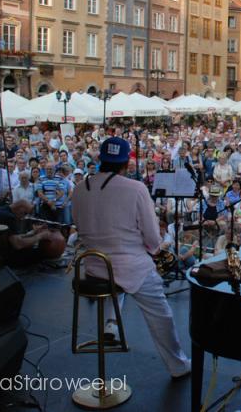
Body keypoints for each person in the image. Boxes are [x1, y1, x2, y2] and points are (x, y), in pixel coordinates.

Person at [71, 137, 191, 378]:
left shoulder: (79, 188)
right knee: (161, 314)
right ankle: (178, 365)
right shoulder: (136, 189)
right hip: (131, 268)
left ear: (100, 160)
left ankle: (111, 324)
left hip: (93, 266)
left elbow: (79, 226)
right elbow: (153, 240)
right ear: (127, 162)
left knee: (117, 283)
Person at [0, 199, 61, 266]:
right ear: (20, 208)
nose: (23, 217)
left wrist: (33, 232)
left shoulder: (3, 210)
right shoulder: (9, 217)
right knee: (40, 253)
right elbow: (17, 244)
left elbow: (12, 237)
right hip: (2, 257)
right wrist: (40, 236)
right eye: (25, 213)